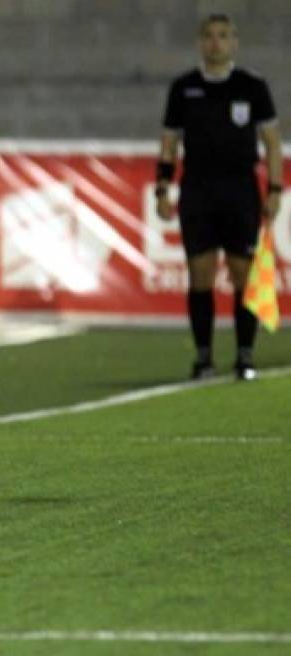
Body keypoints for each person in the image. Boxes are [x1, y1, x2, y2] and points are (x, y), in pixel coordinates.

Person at [156, 13, 283, 381]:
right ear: (200, 42)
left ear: (234, 43)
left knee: (243, 272)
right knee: (200, 273)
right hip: (198, 189)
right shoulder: (184, 88)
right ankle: (204, 356)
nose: (216, 42)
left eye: (223, 36)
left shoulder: (252, 86)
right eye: (209, 36)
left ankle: (245, 355)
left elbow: (272, 142)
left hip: (240, 188)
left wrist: (274, 188)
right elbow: (169, 143)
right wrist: (163, 187)